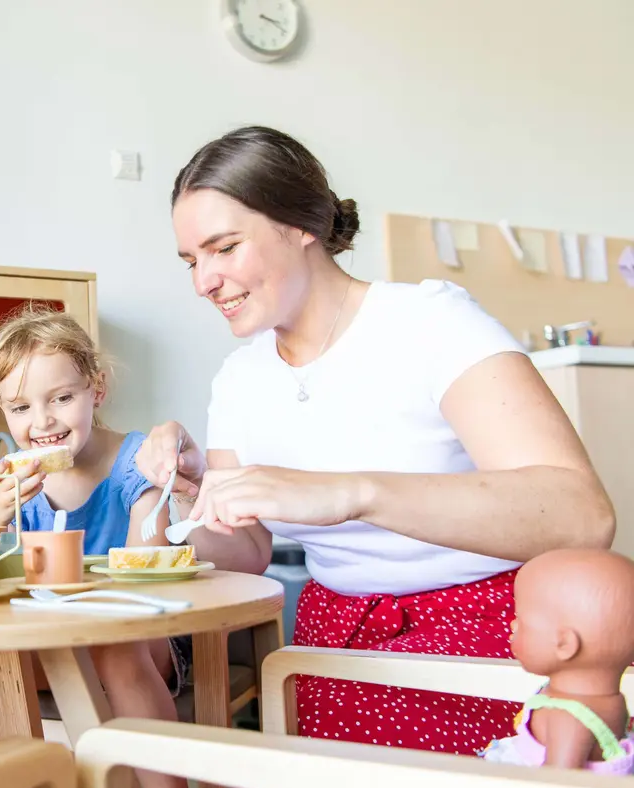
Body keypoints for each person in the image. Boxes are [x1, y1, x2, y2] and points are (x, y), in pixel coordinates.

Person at [135, 125, 614, 755]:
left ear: (301, 223)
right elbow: (246, 551)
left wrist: (350, 493)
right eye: (192, 261)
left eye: (224, 248)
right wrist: (187, 494)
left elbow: (582, 515)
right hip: (336, 649)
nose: (204, 282)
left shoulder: (431, 324)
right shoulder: (241, 379)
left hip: (492, 638)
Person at [0, 304, 193, 788]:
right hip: (52, 642)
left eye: (61, 397)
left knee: (115, 646)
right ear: (1, 408)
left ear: (96, 389)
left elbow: (142, 577)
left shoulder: (138, 461)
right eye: (20, 408)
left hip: (143, 641)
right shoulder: (12, 482)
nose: (43, 423)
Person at [480, 548, 634, 773]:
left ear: (564, 644)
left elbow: (557, 786)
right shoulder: (611, 702)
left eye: (521, 620)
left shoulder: (568, 719)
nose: (512, 626)